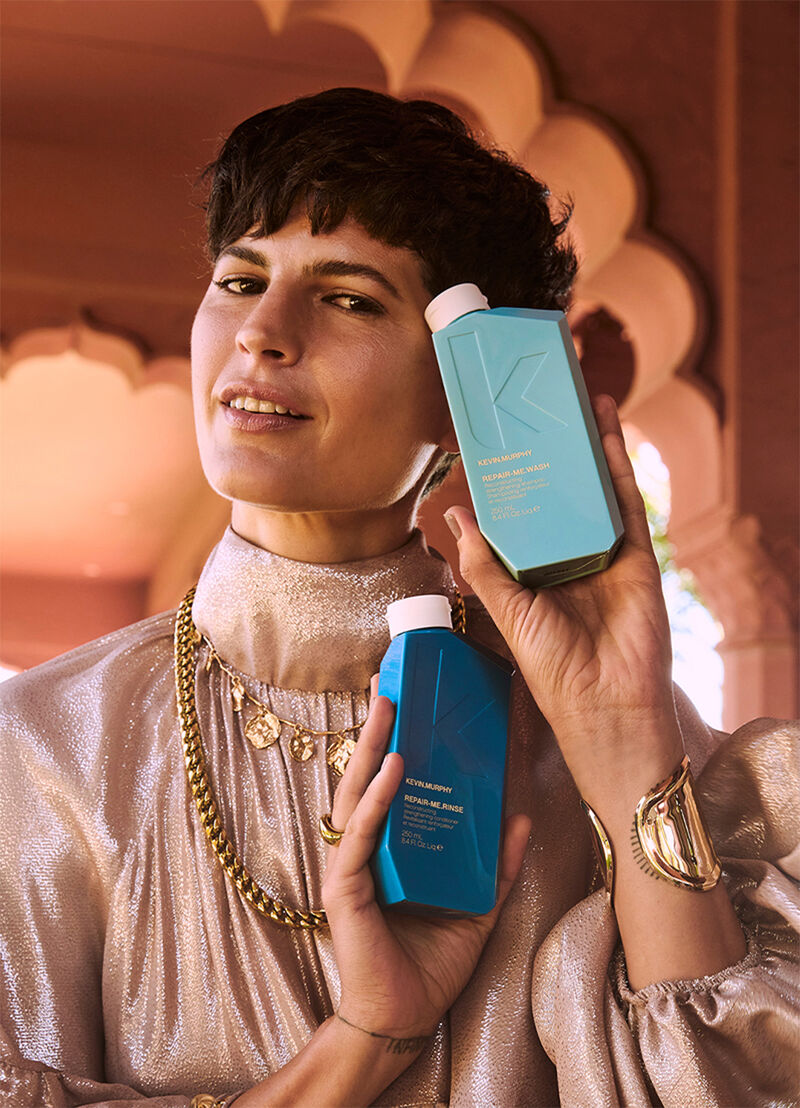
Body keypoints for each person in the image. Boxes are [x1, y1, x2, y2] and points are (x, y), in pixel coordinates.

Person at [0, 88, 797, 1108]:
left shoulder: (594, 740)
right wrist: (368, 1036)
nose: (262, 334)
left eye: (348, 298)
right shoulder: (44, 750)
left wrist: (626, 744)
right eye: (239, 280)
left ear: (468, 391)